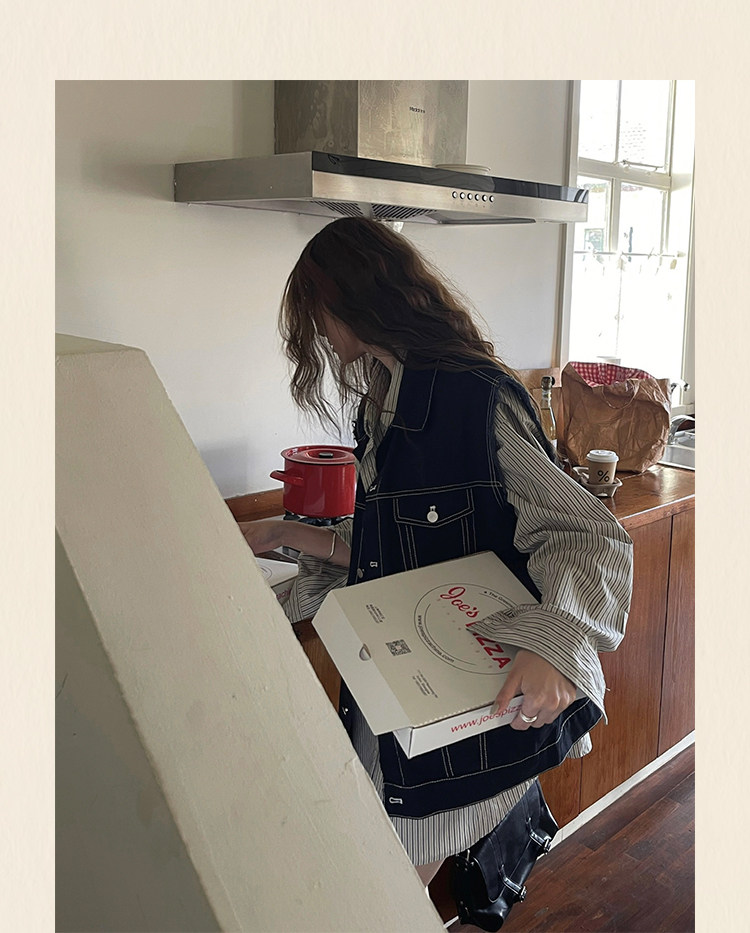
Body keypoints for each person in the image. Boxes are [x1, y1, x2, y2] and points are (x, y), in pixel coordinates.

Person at [241, 217, 633, 888]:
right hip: (408, 690)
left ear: (349, 299)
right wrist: (286, 534)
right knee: (384, 882)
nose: (320, 335)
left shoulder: (473, 396)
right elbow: (402, 551)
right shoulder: (386, 395)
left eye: (317, 314)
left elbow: (585, 535)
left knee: (388, 889)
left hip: (466, 696)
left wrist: (553, 646)